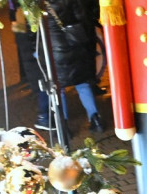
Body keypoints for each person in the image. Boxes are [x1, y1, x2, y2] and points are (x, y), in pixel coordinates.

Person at [44, 0, 104, 133]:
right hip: (76, 41)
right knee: (83, 84)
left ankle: (63, 126)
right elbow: (85, 15)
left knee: (59, 89)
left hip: (55, 49)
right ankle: (95, 119)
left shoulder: (42, 4)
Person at [11, 8, 52, 131]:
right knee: (42, 89)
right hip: (34, 62)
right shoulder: (24, 16)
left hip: (32, 61)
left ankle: (45, 115)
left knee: (42, 89)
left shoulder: (21, 18)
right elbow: (27, 42)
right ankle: (43, 117)